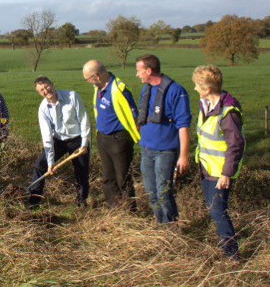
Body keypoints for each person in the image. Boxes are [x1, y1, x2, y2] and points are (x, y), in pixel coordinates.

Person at [192, 65, 244, 260]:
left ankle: (233, 256)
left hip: (220, 173)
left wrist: (226, 174)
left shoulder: (228, 113)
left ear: (207, 89)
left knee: (218, 212)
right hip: (206, 168)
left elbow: (236, 145)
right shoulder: (206, 106)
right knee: (214, 210)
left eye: (197, 86)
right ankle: (226, 245)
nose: (195, 89)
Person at [135, 54, 192, 223]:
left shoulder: (177, 91)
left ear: (149, 70)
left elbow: (183, 125)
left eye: (139, 71)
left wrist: (183, 155)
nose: (137, 75)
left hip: (165, 151)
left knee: (163, 193)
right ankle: (160, 223)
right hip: (146, 149)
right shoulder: (146, 89)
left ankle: (170, 228)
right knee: (151, 193)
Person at [83, 60, 140, 210]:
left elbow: (135, 117)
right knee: (108, 177)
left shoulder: (120, 90)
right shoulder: (99, 88)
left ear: (97, 76)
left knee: (123, 178)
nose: (88, 82)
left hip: (119, 140)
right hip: (102, 138)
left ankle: (130, 211)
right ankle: (114, 208)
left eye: (88, 79)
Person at [29, 76, 90, 207]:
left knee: (81, 171)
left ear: (52, 84)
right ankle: (34, 200)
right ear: (39, 93)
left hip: (77, 139)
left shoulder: (72, 96)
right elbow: (47, 136)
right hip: (58, 141)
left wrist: (84, 144)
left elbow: (84, 119)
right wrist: (50, 162)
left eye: (47, 86)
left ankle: (82, 201)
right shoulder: (43, 109)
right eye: (42, 90)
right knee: (41, 164)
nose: (46, 90)